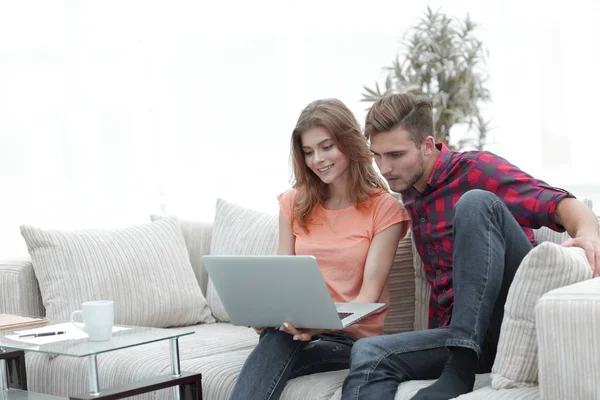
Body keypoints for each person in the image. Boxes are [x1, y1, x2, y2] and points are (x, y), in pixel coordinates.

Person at [341, 93, 600, 400]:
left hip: (505, 317)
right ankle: (460, 357)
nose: (385, 168)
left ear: (427, 145)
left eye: (395, 155)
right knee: (369, 352)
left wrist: (591, 236)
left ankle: (461, 368)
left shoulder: (477, 169)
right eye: (377, 156)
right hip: (456, 333)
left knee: (476, 203)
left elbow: (561, 203)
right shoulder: (409, 190)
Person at [229, 98, 411, 399]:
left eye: (327, 147)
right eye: (308, 152)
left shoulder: (385, 210)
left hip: (348, 340)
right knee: (278, 337)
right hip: (293, 332)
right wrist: (265, 313)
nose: (317, 159)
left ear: (348, 143)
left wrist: (318, 324)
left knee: (277, 342)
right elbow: (280, 276)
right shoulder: (293, 202)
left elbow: (367, 299)